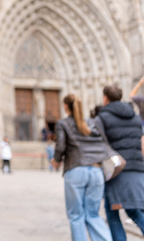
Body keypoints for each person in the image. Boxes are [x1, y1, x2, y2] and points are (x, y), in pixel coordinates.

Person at [51, 94, 112, 241]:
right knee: (93, 214)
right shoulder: (92, 122)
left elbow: (60, 146)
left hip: (76, 169)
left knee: (76, 215)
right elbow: (104, 143)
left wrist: (56, 161)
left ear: (66, 106)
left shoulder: (63, 123)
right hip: (97, 171)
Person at [96, 85, 144, 241]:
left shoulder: (101, 117)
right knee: (134, 210)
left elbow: (101, 145)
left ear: (105, 98)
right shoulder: (136, 117)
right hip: (137, 170)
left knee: (113, 213)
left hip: (116, 171)